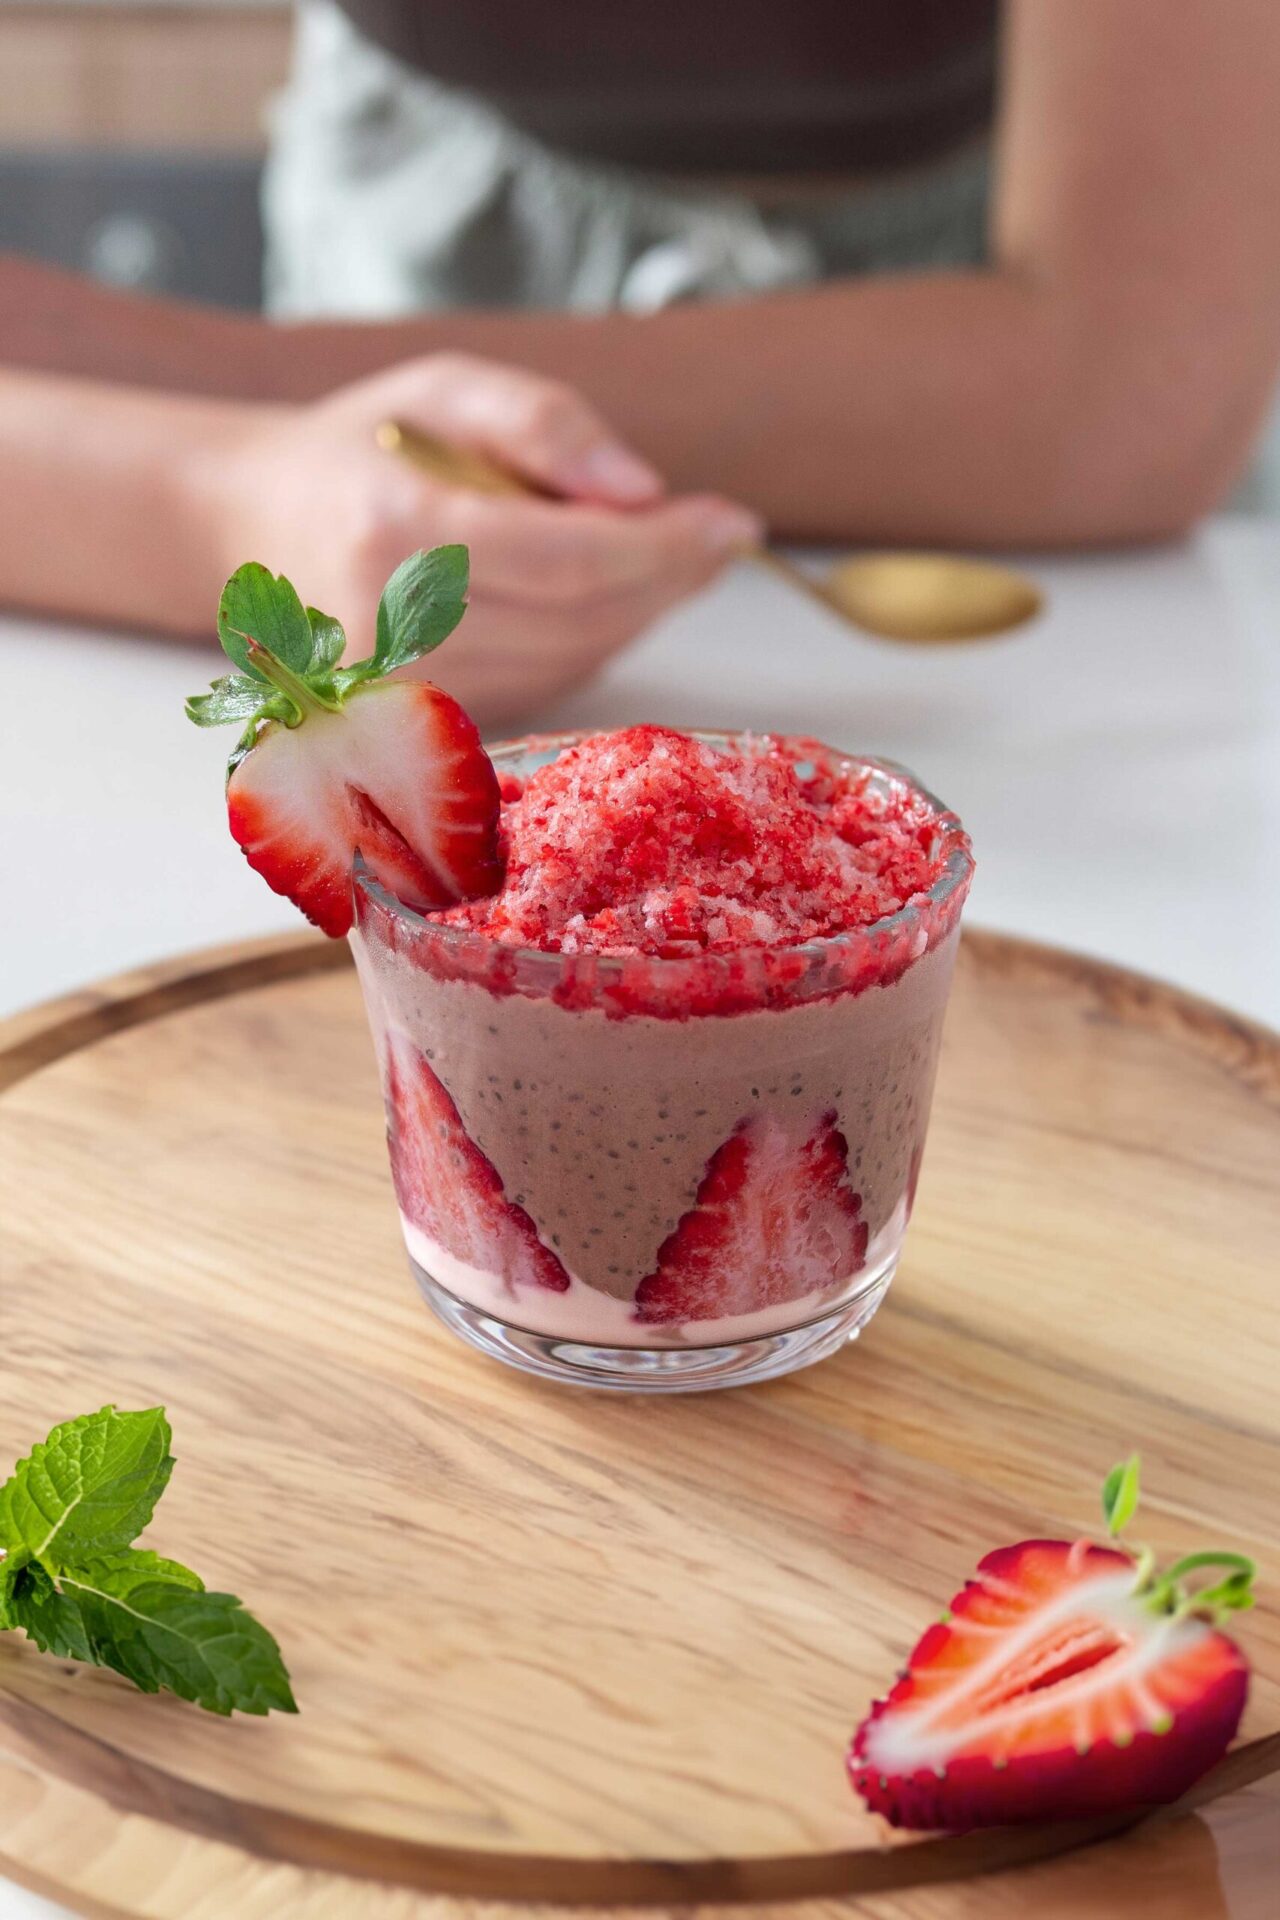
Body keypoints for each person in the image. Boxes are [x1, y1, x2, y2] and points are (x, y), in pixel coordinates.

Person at [2, 0, 1279, 724]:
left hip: (987, 233)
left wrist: (210, 400)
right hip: (422, 215)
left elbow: (1129, 384)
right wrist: (213, 491)